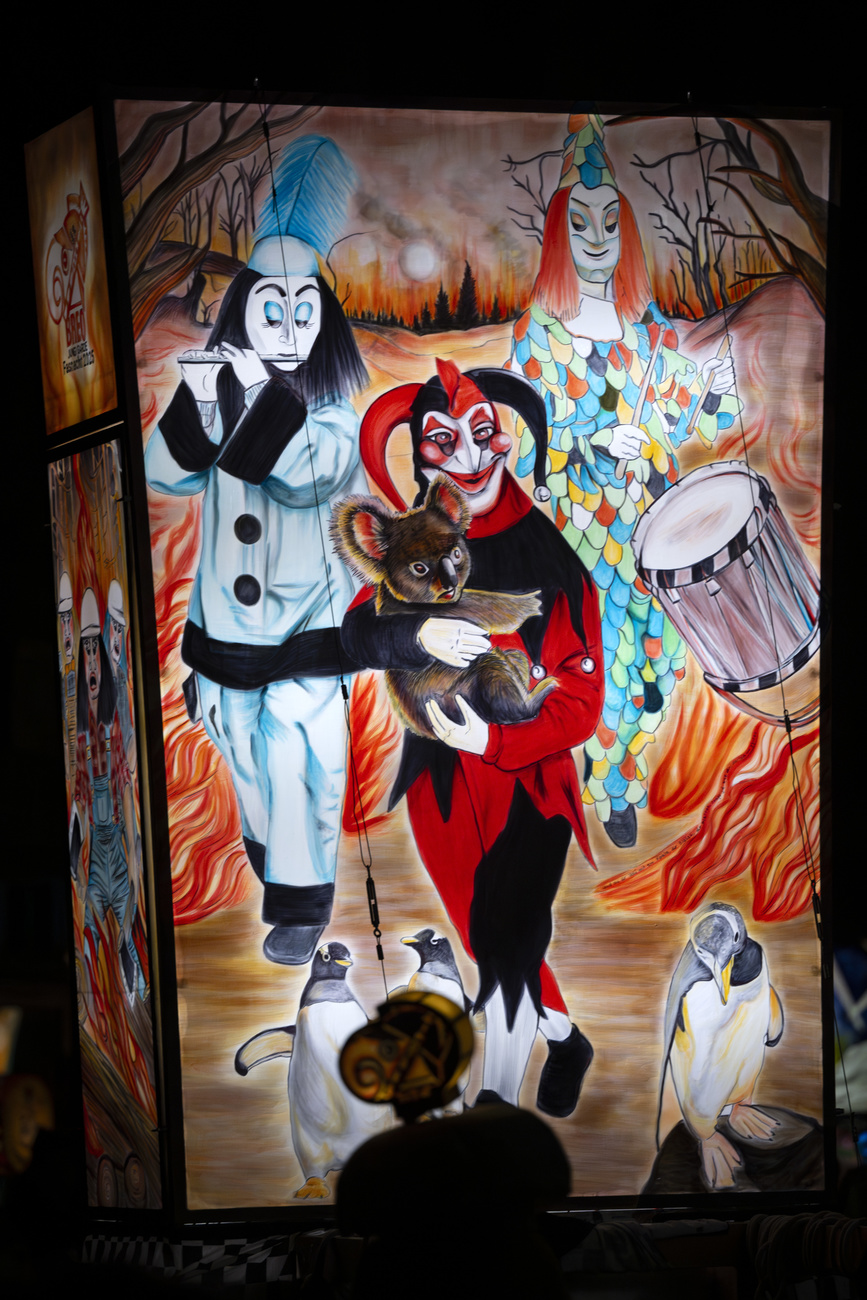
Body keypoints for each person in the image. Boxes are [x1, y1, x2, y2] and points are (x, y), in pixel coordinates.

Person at [341, 359, 604, 1114]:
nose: (467, 454)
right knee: (482, 936)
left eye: (482, 432)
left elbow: (581, 704)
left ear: (506, 439)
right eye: (442, 439)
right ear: (421, 457)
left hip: (528, 780)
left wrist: (493, 742)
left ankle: (496, 1106)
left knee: (506, 940)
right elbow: (356, 636)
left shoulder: (557, 565)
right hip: (441, 782)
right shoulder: (412, 540)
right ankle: (565, 1037)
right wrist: (417, 633)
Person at [509, 113, 738, 847]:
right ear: (559, 232)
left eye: (610, 222)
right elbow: (523, 443)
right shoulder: (539, 339)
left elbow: (693, 415)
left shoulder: (651, 336)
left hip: (652, 529)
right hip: (581, 540)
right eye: (580, 223)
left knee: (657, 673)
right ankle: (608, 785)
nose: (597, 238)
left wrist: (714, 394)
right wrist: (589, 441)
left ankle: (617, 769)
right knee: (602, 664)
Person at [145, 232, 368, 965]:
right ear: (243, 313)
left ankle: (301, 901)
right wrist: (206, 401)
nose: (289, 330)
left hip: (306, 621)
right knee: (240, 744)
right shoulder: (222, 384)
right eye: (272, 312)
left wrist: (256, 402)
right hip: (228, 620)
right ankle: (274, 853)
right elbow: (164, 474)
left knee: (300, 747)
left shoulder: (334, 409)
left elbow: (307, 474)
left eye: (305, 313)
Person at [70, 586, 143, 1004]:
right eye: (87, 655)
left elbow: (128, 786)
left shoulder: (118, 720)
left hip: (116, 843)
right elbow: (79, 800)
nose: (92, 662)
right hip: (97, 855)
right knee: (89, 934)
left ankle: (134, 996)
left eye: (95, 651)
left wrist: (134, 857)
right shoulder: (80, 731)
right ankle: (89, 1004)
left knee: (126, 937)